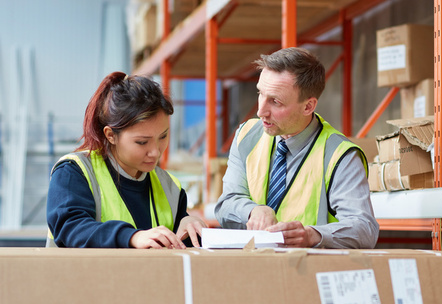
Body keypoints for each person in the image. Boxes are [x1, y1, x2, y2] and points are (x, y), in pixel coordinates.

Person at [215, 47, 379, 249]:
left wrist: (314, 235)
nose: (261, 111)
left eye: (275, 101)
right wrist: (253, 210)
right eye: (260, 93)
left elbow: (364, 229)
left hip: (309, 272)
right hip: (255, 267)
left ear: (308, 106)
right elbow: (226, 205)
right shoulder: (246, 136)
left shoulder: (340, 155)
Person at [47, 72, 206, 249]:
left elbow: (174, 245)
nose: (155, 152)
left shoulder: (170, 188)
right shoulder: (74, 173)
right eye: (142, 142)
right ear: (111, 135)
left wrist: (188, 224)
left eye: (163, 136)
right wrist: (132, 237)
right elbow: (71, 228)